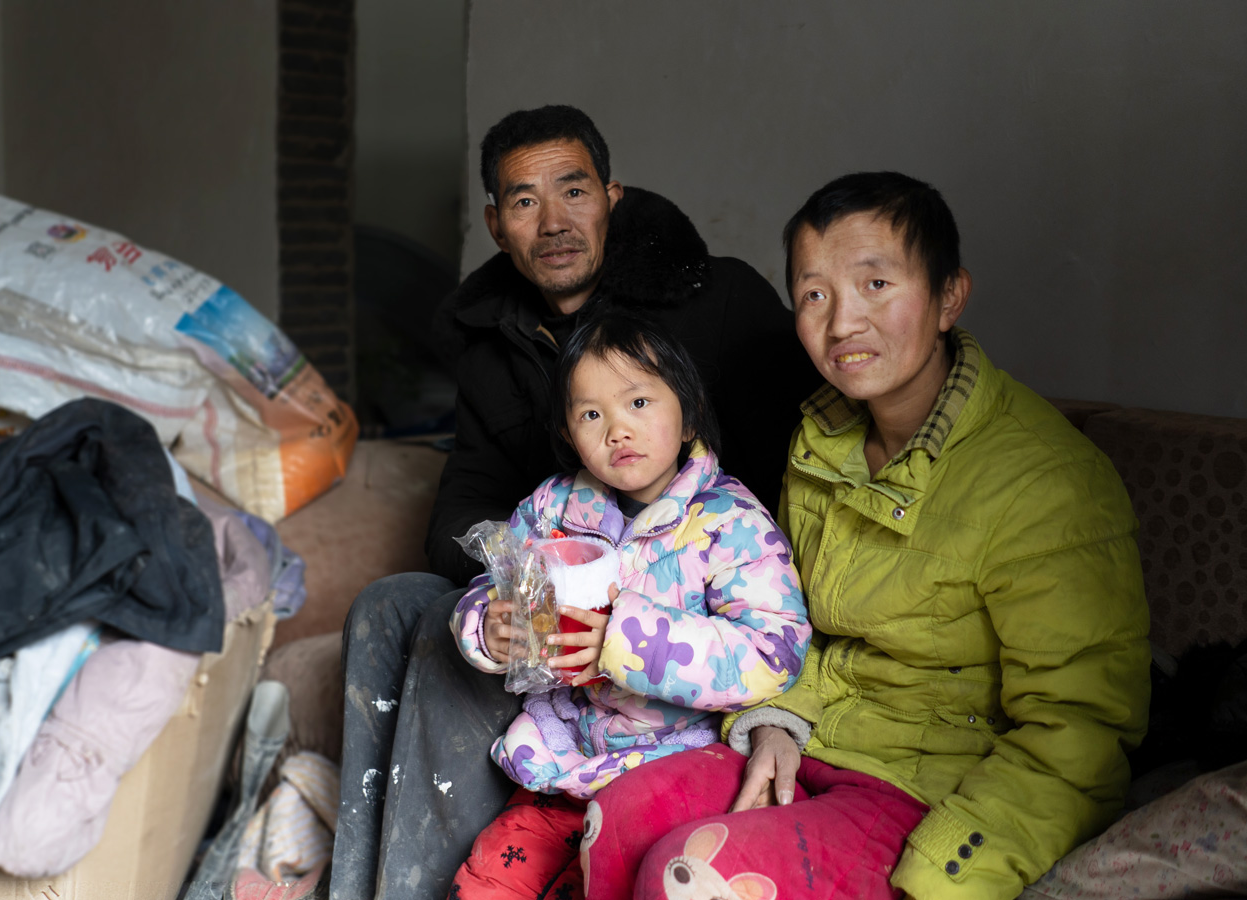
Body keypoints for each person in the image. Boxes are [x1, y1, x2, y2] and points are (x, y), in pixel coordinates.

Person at [577, 172, 1151, 900]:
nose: (843, 321)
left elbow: (1081, 733)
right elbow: (790, 627)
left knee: (691, 875)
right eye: (815, 294)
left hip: (935, 780)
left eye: (876, 284)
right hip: (815, 738)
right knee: (614, 824)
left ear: (949, 296)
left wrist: (945, 873)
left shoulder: (1047, 481)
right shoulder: (819, 441)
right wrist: (775, 722)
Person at [331, 106, 814, 900]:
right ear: (496, 223)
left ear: (611, 197)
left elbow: (797, 497)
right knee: (393, 606)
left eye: (573, 191)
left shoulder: (716, 302)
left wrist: (641, 609)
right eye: (525, 202)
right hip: (554, 614)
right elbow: (464, 509)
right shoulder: (488, 343)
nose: (553, 221)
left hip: (687, 618)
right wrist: (518, 592)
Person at [447, 313, 812, 898]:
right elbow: (490, 586)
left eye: (639, 402)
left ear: (689, 415)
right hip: (564, 754)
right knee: (492, 877)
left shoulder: (730, 522)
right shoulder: (552, 508)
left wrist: (623, 641)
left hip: (672, 768)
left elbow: (775, 651)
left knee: (608, 879)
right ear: (568, 432)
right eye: (591, 414)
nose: (617, 429)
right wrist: (487, 628)